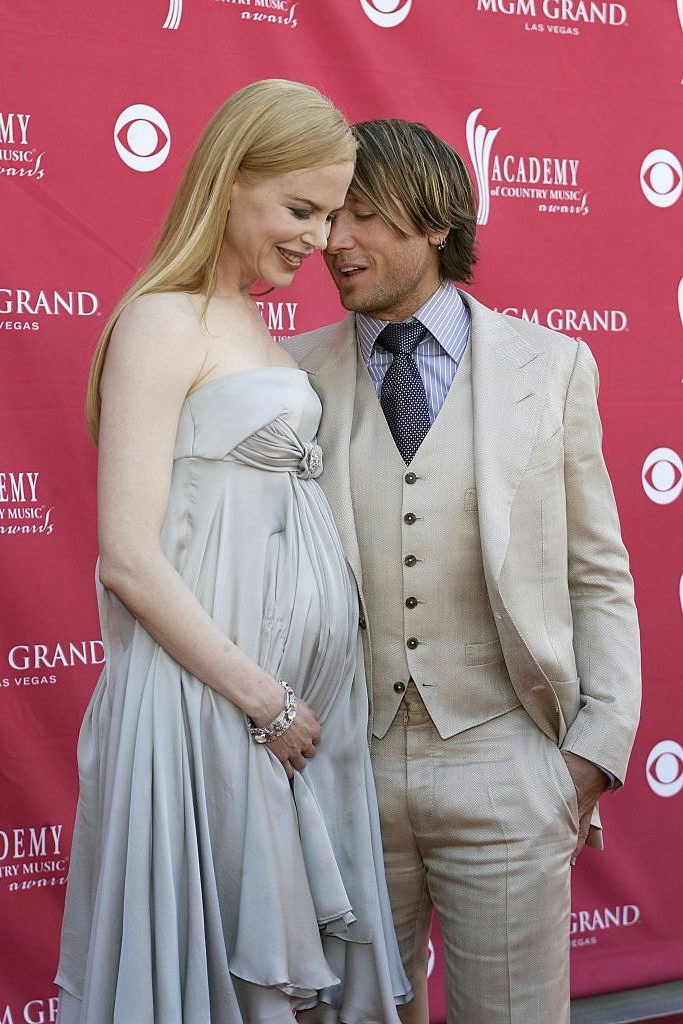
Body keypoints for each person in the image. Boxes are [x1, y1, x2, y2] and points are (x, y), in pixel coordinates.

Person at [54, 82, 411, 1024]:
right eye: (300, 208)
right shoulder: (162, 321)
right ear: (228, 179)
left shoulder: (262, 331)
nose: (321, 236)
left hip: (280, 725)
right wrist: (263, 701)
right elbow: (130, 558)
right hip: (207, 708)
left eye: (333, 212)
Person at [286, 118, 641, 1024]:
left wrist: (590, 753)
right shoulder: (287, 375)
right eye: (330, 216)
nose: (336, 241)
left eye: (363, 215)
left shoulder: (551, 366)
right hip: (341, 769)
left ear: (437, 222)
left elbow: (595, 573)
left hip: (503, 757)